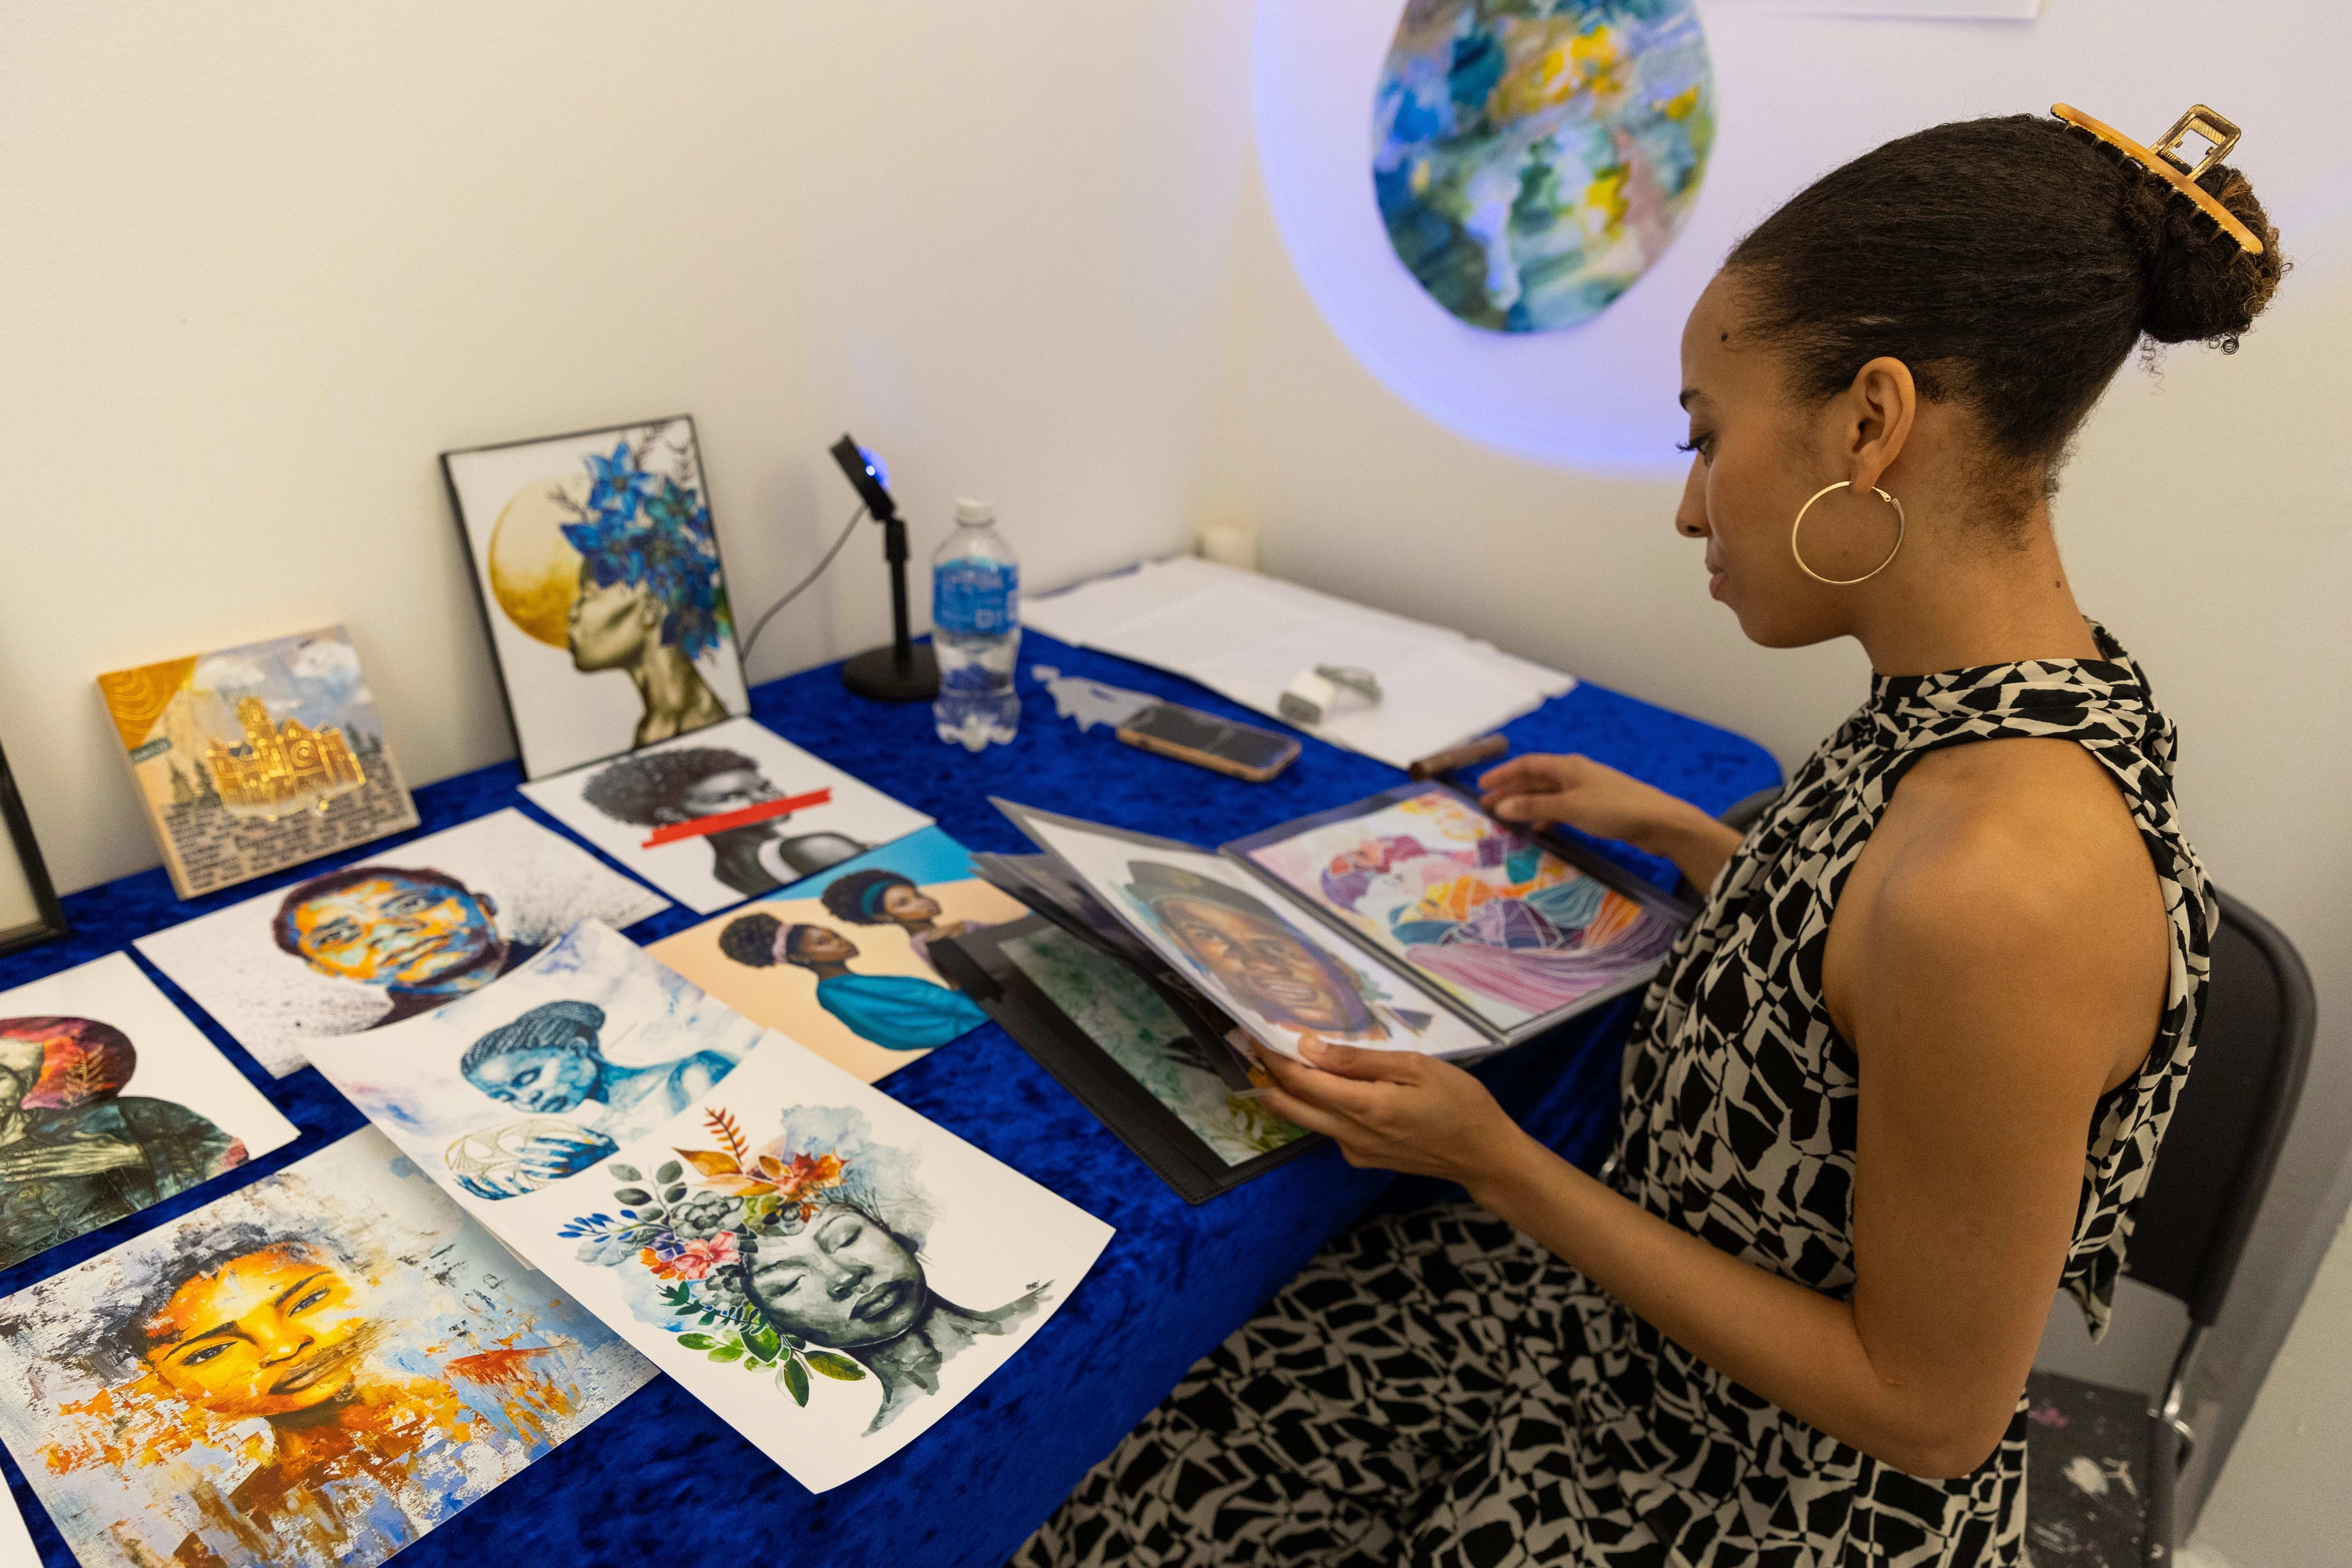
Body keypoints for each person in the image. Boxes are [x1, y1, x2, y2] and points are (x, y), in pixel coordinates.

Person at [1021, 107, 2279, 1566]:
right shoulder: (1990, 701)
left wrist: (1498, 1157)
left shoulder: (2007, 886)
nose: (1689, 506)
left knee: (1131, 1503)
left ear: (1871, 423)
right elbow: (1875, 1005)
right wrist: (1693, 836)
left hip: (1752, 1485)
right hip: (1634, 1340)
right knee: (1173, 1434)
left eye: (1706, 438)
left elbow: (1926, 1410)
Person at [101, 1225, 557, 1559]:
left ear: (367, 1280)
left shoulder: (530, 1382)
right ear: (162, 1383)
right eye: (211, 1351)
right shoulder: (230, 1544)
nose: (283, 1346)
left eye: (307, 1301)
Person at [734, 1185, 1048, 1435]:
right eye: (789, 1283)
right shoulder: (873, 1439)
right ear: (772, 1323)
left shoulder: (1044, 1309)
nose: (844, 1276)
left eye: (847, 1238)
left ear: (894, 1233)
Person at [0, 1017, 245, 1270]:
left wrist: (134, 1155)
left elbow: (229, 1158)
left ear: (26, 1084)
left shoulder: (128, 1116)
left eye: (1, 1077)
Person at [450, 999, 738, 1198]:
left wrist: (614, 1165)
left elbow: (732, 1169)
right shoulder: (599, 1138)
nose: (527, 1100)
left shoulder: (694, 1073)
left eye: (528, 1078)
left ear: (576, 1050)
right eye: (506, 1097)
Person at [1121, 862, 1432, 1044]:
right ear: (1184, 945)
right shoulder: (1221, 1039)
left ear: (1342, 966)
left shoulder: (1422, 1028)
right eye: (1210, 937)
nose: (1260, 965)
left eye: (1274, 946)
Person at [559, 432, 733, 747]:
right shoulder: (654, 731)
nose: (572, 613)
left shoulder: (702, 721)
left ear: (652, 607)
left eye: (588, 595)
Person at [272, 864, 537, 1029]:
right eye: (338, 935)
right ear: (321, 968)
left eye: (411, 905)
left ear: (483, 905)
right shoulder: (379, 1049)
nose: (387, 932)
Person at [582, 746, 869, 898]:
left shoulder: (724, 870)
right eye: (732, 798)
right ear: (675, 817)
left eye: (765, 787)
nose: (767, 800)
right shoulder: (815, 847)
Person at [717, 914, 988, 1052]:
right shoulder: (842, 993)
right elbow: (906, 1031)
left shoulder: (846, 987)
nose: (842, 942)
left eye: (835, 935)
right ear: (801, 957)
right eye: (824, 943)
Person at [820, 867, 988, 972]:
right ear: (885, 916)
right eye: (904, 903)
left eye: (919, 895)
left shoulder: (946, 932)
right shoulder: (932, 940)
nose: (924, 902)